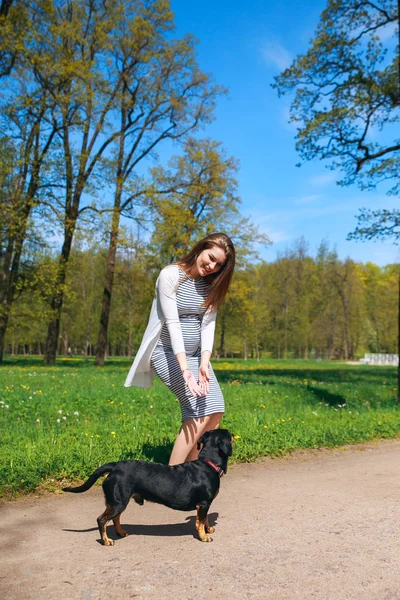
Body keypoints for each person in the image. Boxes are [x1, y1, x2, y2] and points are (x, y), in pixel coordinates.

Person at [124, 232, 235, 465]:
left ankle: (192, 471)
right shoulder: (170, 275)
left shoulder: (210, 285)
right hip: (166, 353)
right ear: (201, 248)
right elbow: (172, 323)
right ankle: (173, 474)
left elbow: (208, 325)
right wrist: (185, 370)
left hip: (197, 356)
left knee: (216, 410)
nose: (212, 266)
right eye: (210, 257)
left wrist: (204, 363)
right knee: (197, 412)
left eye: (218, 264)